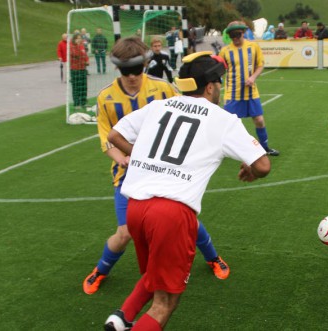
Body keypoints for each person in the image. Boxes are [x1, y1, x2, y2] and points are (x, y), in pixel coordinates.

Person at [103, 50, 271, 330]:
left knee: (153, 277)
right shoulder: (223, 119)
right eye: (220, 82)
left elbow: (114, 135)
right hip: (171, 213)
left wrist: (144, 157)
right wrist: (251, 171)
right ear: (210, 86)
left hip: (135, 208)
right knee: (165, 303)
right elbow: (263, 164)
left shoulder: (159, 106)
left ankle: (121, 319)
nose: (221, 87)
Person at [83, 38, 231, 296]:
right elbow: (107, 139)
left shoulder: (163, 89)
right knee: (125, 231)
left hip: (166, 172)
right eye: (125, 71)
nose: (131, 76)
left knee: (187, 221)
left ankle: (213, 257)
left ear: (146, 64)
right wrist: (122, 158)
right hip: (126, 175)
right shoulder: (106, 97)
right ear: (118, 69)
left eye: (137, 69)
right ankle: (100, 270)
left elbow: (191, 112)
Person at [220, 21, 279, 156]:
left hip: (251, 92)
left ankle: (264, 148)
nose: (235, 38)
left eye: (237, 35)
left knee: (259, 119)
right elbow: (219, 70)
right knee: (228, 124)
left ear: (243, 33)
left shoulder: (253, 47)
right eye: (232, 35)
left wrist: (253, 77)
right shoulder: (225, 51)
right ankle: (224, 150)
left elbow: (260, 65)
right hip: (232, 94)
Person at [69, 33, 89, 110]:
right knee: (76, 87)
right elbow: (76, 54)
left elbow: (85, 55)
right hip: (75, 70)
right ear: (74, 39)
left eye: (80, 38)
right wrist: (77, 46)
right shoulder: (72, 46)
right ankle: (77, 103)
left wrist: (87, 60)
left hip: (83, 69)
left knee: (84, 87)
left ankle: (83, 102)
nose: (79, 39)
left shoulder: (82, 45)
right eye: (77, 38)